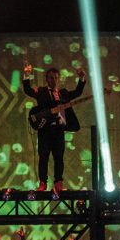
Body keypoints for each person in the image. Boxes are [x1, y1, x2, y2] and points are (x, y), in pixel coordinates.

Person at [22, 63, 87, 193]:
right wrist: (27, 75)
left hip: (58, 131)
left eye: (56, 78)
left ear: (59, 79)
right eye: (51, 78)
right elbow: (28, 90)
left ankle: (58, 183)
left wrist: (81, 78)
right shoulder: (41, 91)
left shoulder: (63, 94)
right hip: (45, 130)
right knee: (43, 157)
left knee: (58, 158)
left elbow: (78, 92)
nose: (54, 80)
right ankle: (43, 183)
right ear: (47, 79)